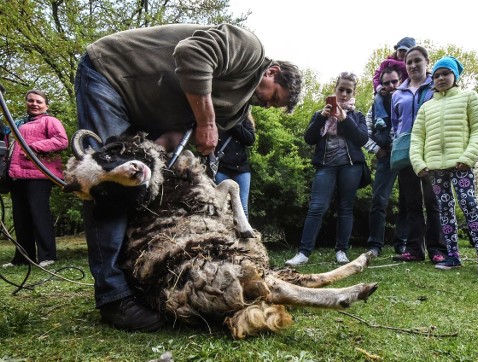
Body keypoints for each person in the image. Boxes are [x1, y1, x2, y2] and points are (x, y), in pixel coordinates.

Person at [74, 23, 302, 332]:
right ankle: (113, 296)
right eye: (273, 97)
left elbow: (181, 127)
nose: (267, 104)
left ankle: (135, 283)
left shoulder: (236, 105)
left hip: (145, 112)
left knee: (141, 186)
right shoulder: (249, 49)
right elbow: (191, 54)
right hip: (113, 77)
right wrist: (206, 120)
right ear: (272, 72)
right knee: (111, 184)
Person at [410, 56, 478, 277]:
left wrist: (468, 157)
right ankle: (453, 256)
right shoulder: (426, 107)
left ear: (455, 76)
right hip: (435, 169)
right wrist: (419, 164)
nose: (441, 78)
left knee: (470, 205)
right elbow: (416, 138)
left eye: (445, 74)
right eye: (437, 74)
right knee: (444, 211)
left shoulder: (469, 97)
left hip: (461, 165)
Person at [285, 72, 368, 266]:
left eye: (349, 91)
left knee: (345, 208)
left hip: (350, 167)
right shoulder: (319, 114)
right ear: (335, 89)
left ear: (353, 92)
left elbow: (362, 139)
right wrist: (322, 117)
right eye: (341, 89)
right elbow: (309, 138)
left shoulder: (357, 115)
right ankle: (303, 253)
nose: (344, 94)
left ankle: (341, 251)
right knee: (316, 207)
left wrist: (344, 119)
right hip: (326, 166)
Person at [390, 46, 447, 263]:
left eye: (417, 61)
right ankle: (414, 249)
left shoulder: (437, 86)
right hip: (407, 152)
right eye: (409, 62)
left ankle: (437, 248)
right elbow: (395, 125)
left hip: (432, 149)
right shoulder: (398, 93)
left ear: (426, 62)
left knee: (433, 200)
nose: (413, 65)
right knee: (412, 202)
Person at [2, 90, 68, 268]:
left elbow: (62, 140)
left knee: (40, 215)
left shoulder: (49, 121)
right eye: (30, 100)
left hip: (39, 174)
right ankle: (23, 258)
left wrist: (33, 147)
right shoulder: (18, 124)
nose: (34, 104)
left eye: (39, 101)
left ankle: (48, 256)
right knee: (21, 218)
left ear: (46, 105)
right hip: (17, 176)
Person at [364, 67, 408, 256]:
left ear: (400, 81)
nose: (391, 86)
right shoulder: (375, 105)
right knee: (379, 201)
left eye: (394, 82)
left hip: (406, 156)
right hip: (386, 157)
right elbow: (364, 133)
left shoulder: (407, 101)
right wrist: (377, 150)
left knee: (408, 201)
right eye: (387, 82)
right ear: (381, 85)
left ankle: (402, 244)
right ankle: (375, 245)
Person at [214, 114, 256, 217]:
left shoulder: (244, 118)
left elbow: (250, 140)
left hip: (241, 168)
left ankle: (244, 232)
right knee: (219, 204)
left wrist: (233, 123)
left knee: (243, 208)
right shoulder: (218, 115)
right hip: (221, 168)